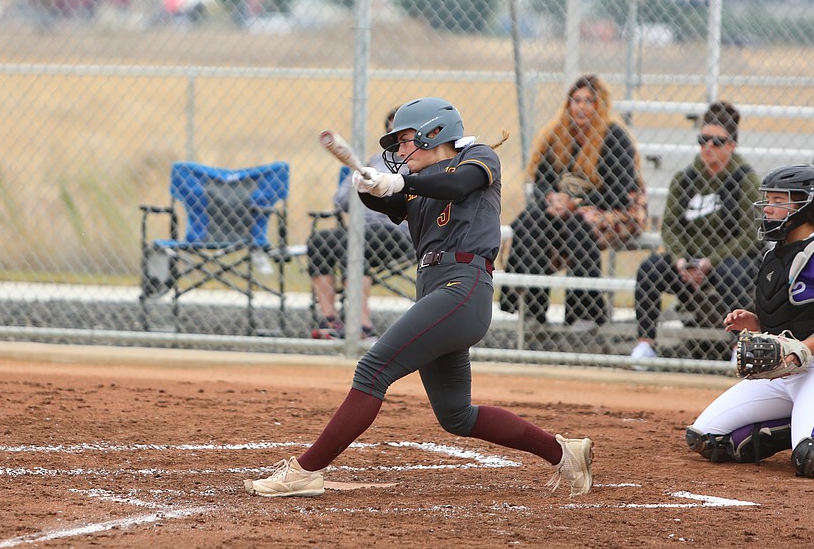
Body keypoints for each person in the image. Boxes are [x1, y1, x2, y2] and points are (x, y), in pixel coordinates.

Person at [244, 96, 593, 498]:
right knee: (456, 415)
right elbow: (391, 201)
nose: (400, 151)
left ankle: (304, 471)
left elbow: (457, 183)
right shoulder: (419, 184)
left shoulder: (475, 158)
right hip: (434, 288)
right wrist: (368, 187)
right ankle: (564, 453)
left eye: (407, 140)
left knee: (373, 370)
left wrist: (400, 181)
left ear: (435, 134)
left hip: (462, 287)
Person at [683, 164, 814, 475]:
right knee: (707, 439)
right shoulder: (774, 254)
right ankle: (801, 424)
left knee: (813, 456)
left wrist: (804, 348)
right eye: (768, 200)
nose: (769, 209)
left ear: (808, 205)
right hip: (786, 371)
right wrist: (757, 324)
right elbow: (793, 320)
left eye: (779, 200)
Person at [504, 74, 646, 328]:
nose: (581, 106)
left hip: (621, 210)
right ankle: (530, 311)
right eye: (576, 100)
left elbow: (620, 191)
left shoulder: (614, 137)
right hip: (572, 210)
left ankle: (584, 313)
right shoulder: (558, 134)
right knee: (529, 221)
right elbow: (541, 178)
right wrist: (551, 198)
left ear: (599, 105)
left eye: (588, 101)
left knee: (578, 224)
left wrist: (576, 202)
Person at [630, 102, 761, 362]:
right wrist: (680, 259)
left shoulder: (745, 179)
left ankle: (740, 347)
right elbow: (670, 227)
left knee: (731, 273)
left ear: (732, 146)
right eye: (703, 140)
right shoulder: (685, 178)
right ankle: (646, 344)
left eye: (717, 142)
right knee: (650, 269)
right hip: (688, 265)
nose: (708, 148)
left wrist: (710, 261)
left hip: (727, 262)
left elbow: (751, 234)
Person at [309, 108, 413, 341]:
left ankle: (361, 326)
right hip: (360, 229)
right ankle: (330, 321)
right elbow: (341, 199)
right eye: (393, 129)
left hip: (396, 232)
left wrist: (383, 187)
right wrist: (363, 180)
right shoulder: (375, 160)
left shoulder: (418, 162)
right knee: (320, 241)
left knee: (355, 243)